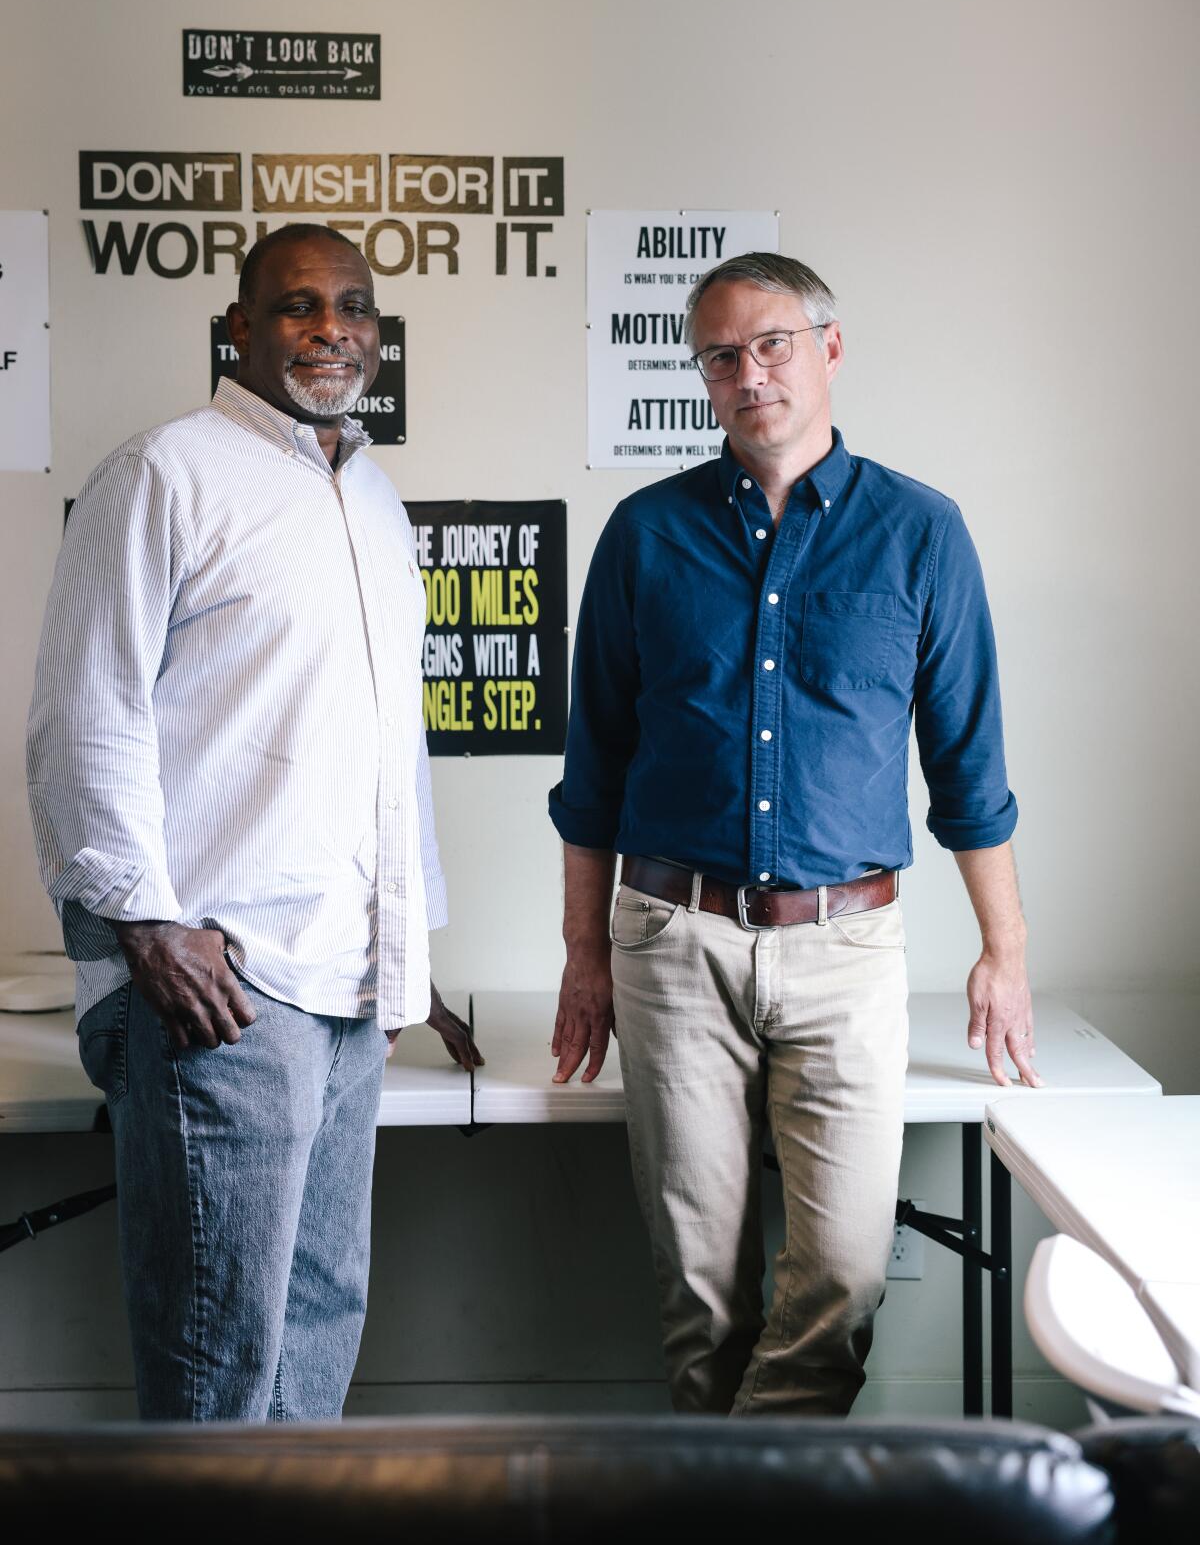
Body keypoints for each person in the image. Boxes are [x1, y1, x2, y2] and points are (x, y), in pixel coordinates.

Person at [548, 251, 1039, 1417]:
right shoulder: (644, 535)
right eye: (721, 354)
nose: (748, 370)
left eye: (771, 342)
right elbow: (593, 774)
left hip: (847, 950)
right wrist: (584, 956)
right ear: (703, 380)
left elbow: (969, 767)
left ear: (829, 346)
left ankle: (749, 1508)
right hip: (672, 942)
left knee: (843, 1278)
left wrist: (1004, 948)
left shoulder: (922, 532)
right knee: (701, 1297)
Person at [27, 222, 480, 1422]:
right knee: (215, 1368)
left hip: (348, 993)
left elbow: (390, 747)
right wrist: (147, 925)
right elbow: (85, 715)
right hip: (220, 988)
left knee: (313, 1354)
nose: (331, 326)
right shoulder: (164, 472)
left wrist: (409, 953)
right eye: (296, 305)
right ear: (237, 327)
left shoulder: (373, 501)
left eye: (353, 305)